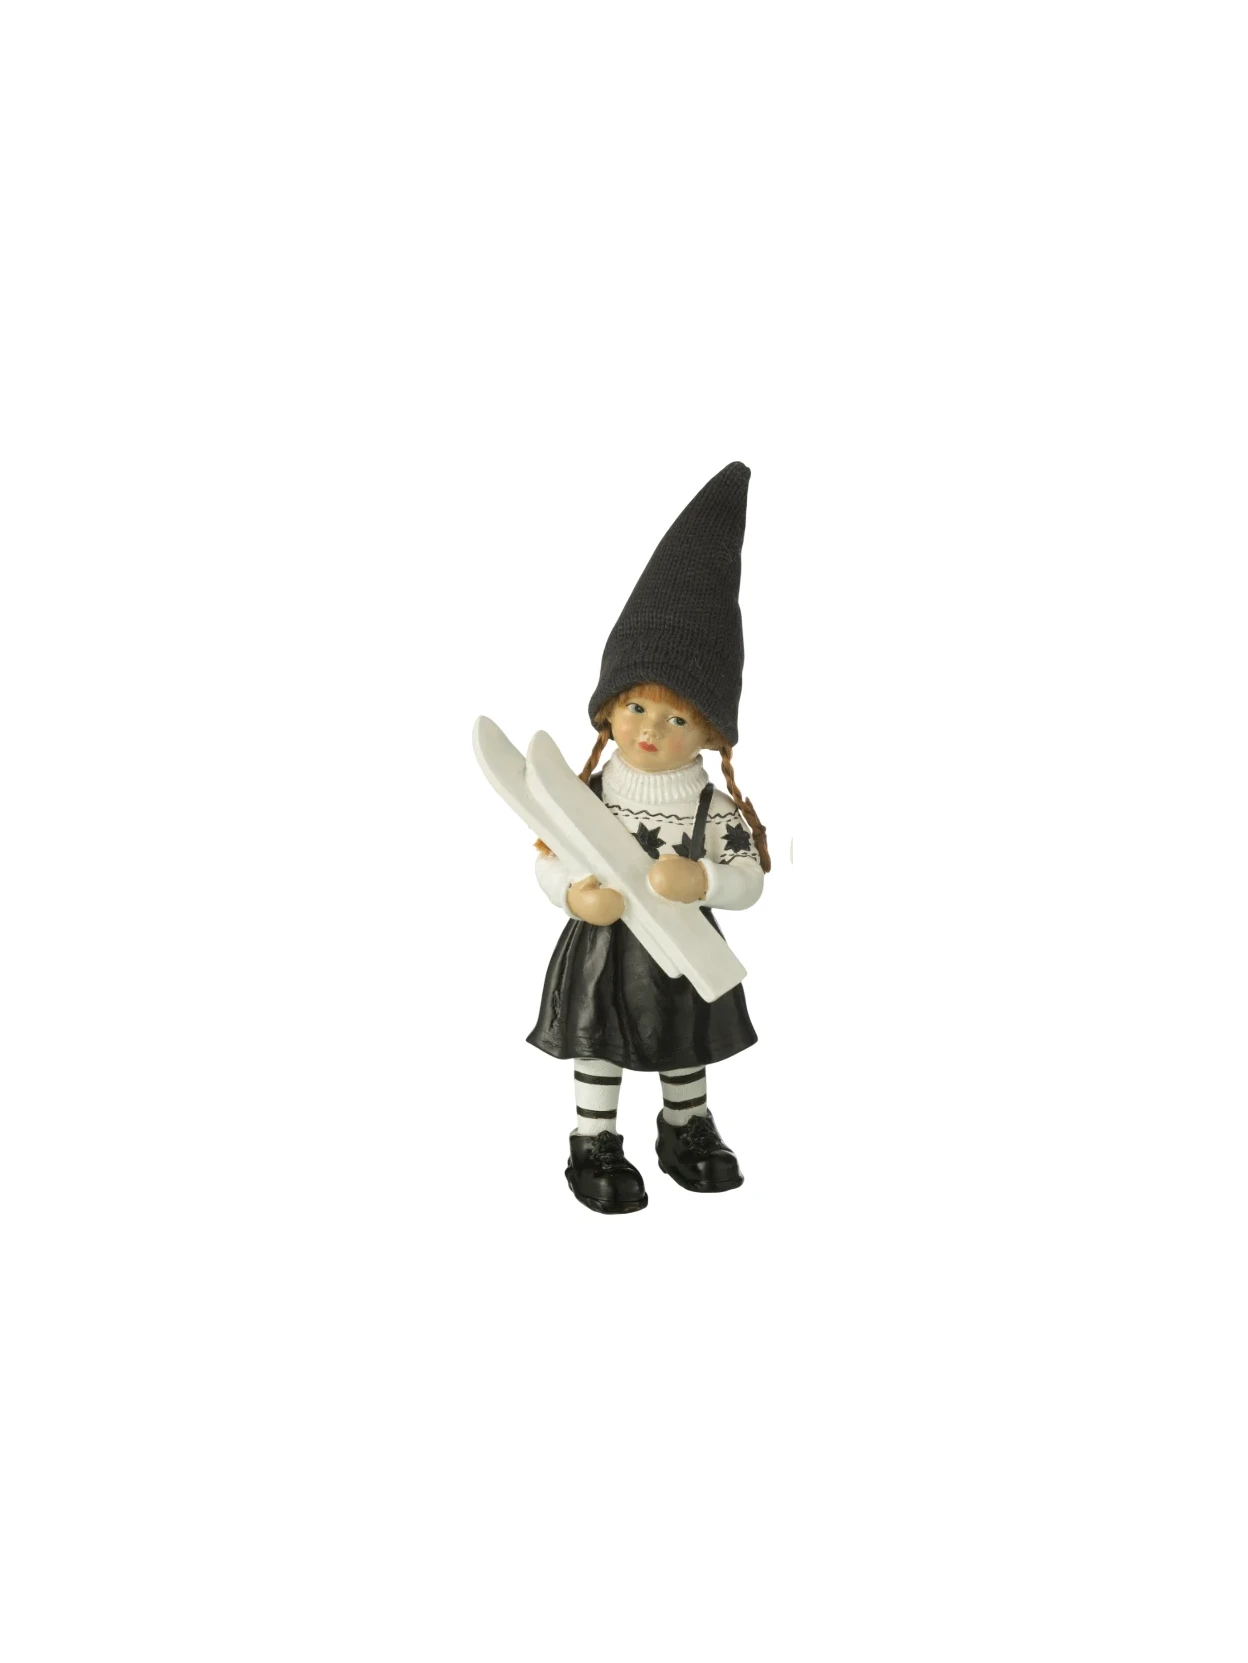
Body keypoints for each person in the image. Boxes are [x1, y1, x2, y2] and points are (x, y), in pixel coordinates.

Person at [526, 462, 770, 1213]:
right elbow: (549, 859)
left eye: (676, 716)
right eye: (635, 707)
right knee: (598, 1045)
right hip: (605, 951)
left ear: (710, 731)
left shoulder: (713, 809)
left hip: (683, 949)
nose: (650, 730)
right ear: (607, 711)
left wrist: (706, 882)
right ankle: (594, 1138)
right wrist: (572, 894)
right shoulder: (587, 796)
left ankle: (686, 1125)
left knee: (683, 1042)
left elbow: (749, 879)